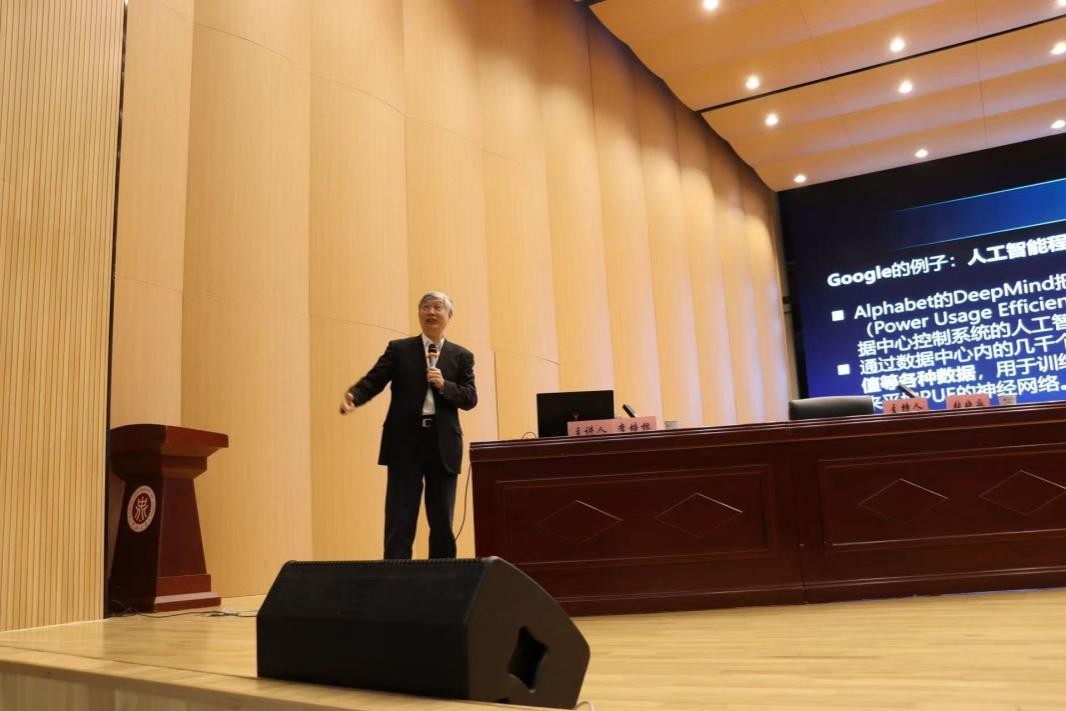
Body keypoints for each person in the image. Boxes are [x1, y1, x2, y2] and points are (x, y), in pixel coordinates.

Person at [339, 291, 477, 559]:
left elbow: (470, 398)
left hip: (443, 445)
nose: (431, 312)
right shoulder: (399, 350)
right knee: (399, 518)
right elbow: (374, 379)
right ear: (419, 314)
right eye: (425, 307)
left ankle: (442, 576)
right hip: (404, 442)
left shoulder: (461, 356)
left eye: (437, 307)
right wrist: (355, 395)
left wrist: (444, 385)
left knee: (442, 520)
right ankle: (396, 576)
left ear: (449, 316)